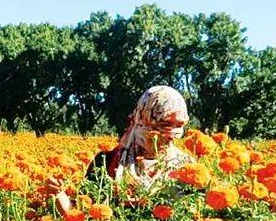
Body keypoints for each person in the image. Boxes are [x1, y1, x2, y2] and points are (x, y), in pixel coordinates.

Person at [51, 85, 192, 211]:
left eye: (179, 125)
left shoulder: (187, 168)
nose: (172, 135)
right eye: (165, 124)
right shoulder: (106, 161)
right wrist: (58, 194)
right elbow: (81, 212)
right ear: (143, 120)